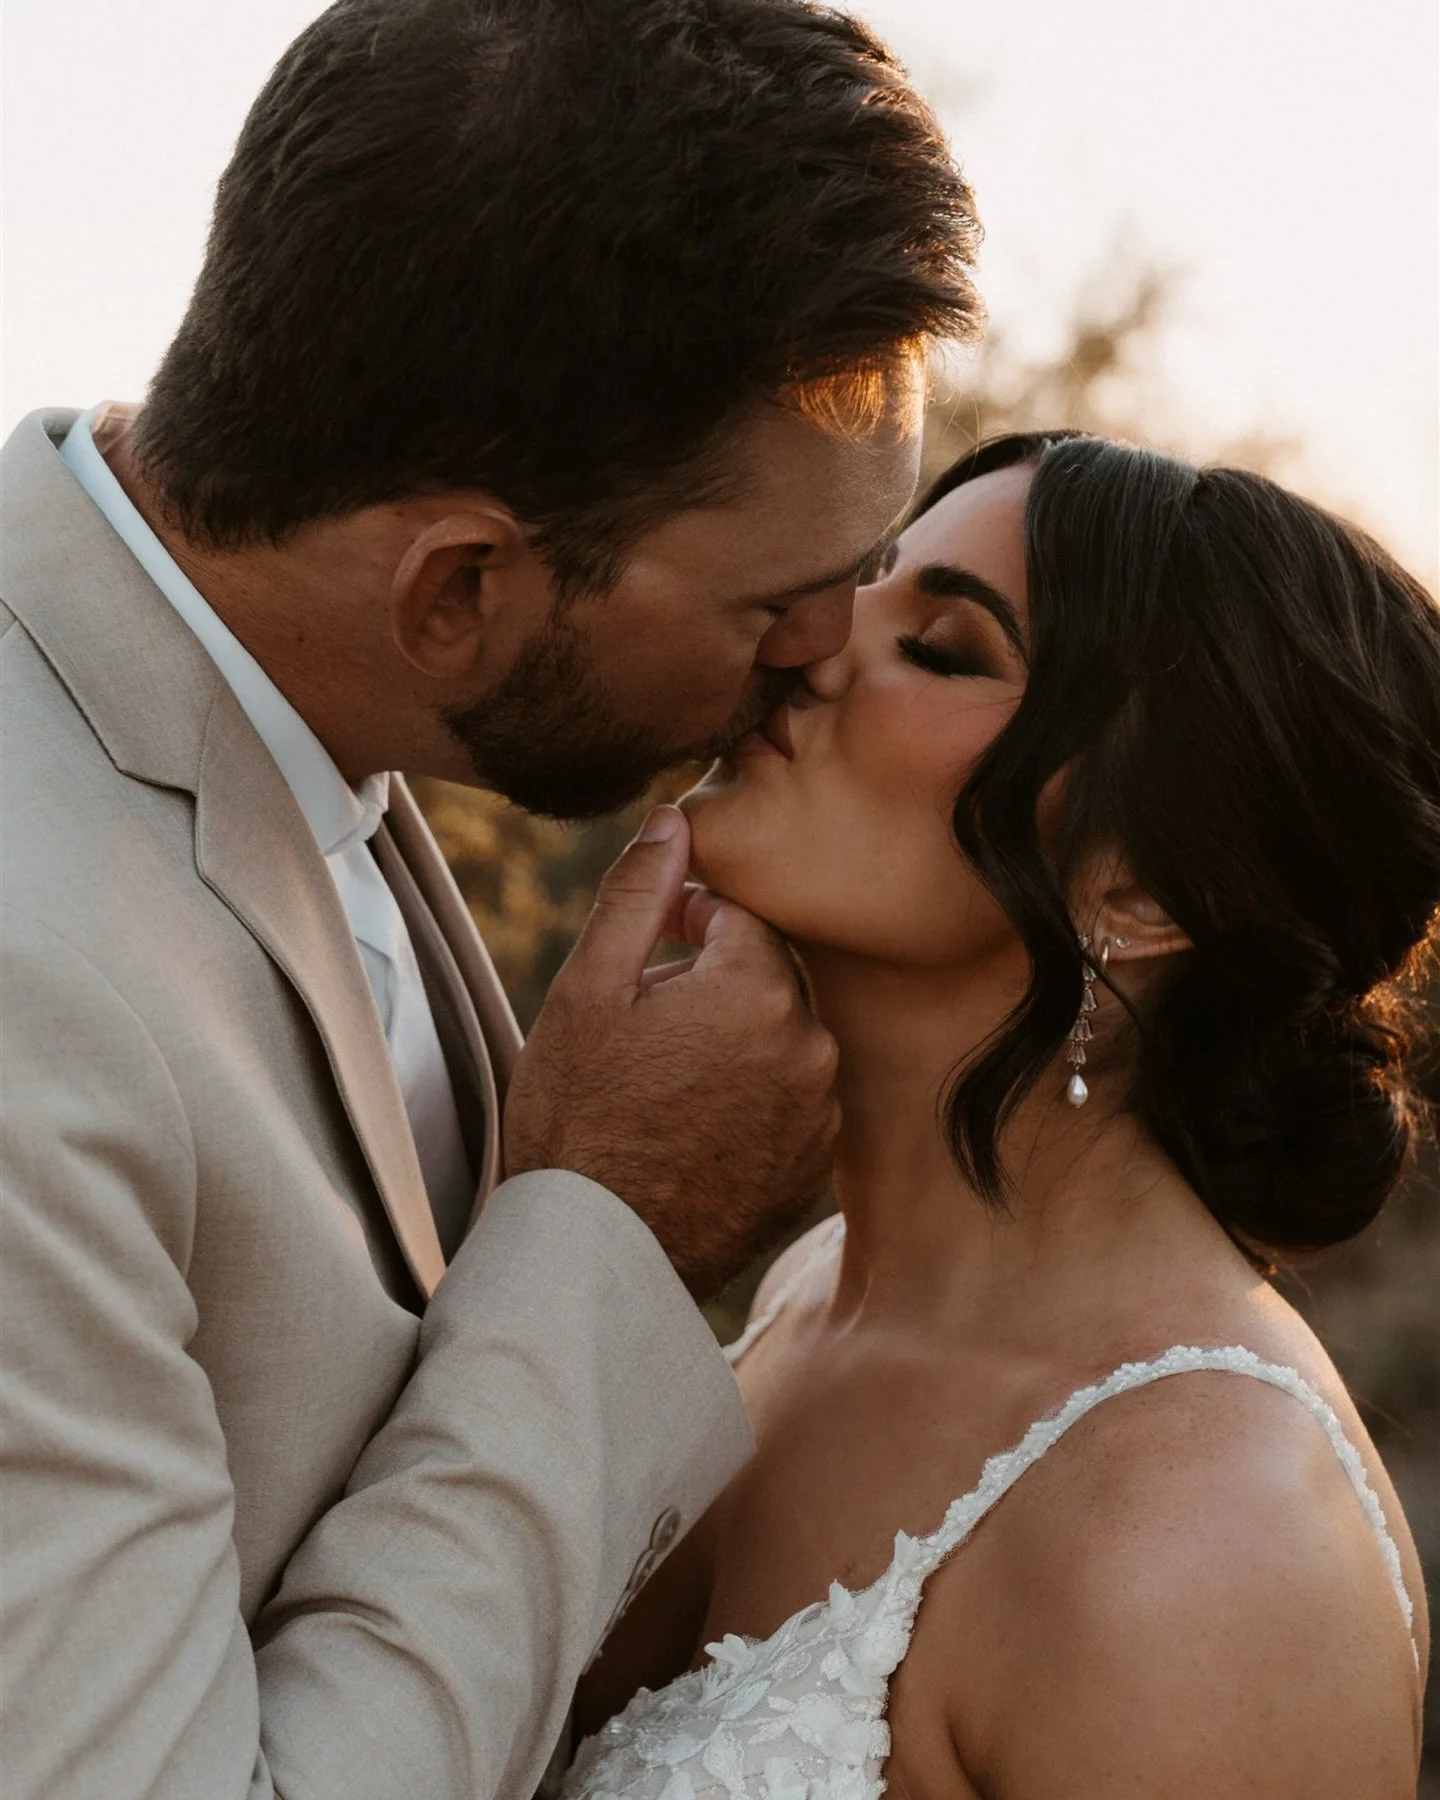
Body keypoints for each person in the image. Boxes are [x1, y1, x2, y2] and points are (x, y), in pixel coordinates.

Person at [0, 1, 982, 1794]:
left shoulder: (295, 717)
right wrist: (613, 1230)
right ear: (455, 591)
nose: (830, 651)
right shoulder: (29, 984)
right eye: (775, 602)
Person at [567, 432, 1440, 1799]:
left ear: (1145, 893)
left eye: (944, 650)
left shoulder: (1202, 1544)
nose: (808, 643)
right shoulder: (806, 1295)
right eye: (861, 580)